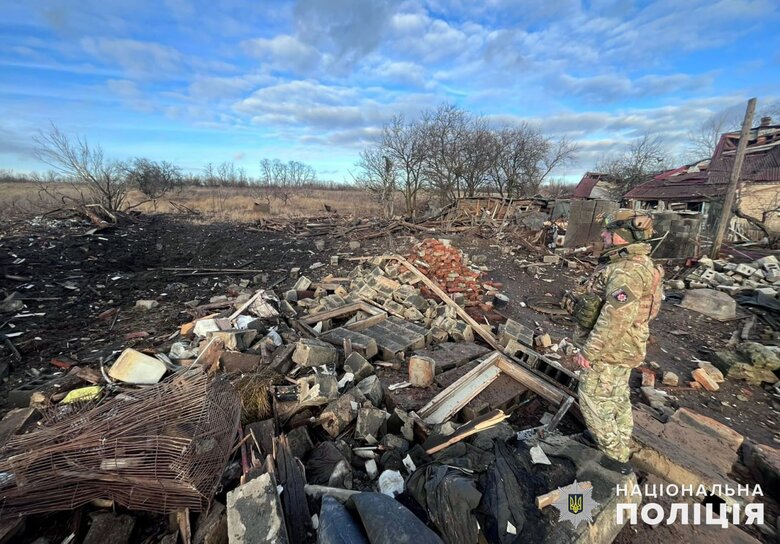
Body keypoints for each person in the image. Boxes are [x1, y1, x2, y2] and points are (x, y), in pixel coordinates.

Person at [569, 210, 663, 474]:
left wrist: (589, 352)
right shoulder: (638, 263)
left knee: (594, 402)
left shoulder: (627, 272)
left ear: (622, 236)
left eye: (608, 231)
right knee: (618, 397)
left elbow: (615, 318)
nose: (603, 234)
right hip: (623, 349)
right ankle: (621, 443)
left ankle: (615, 463)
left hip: (610, 352)